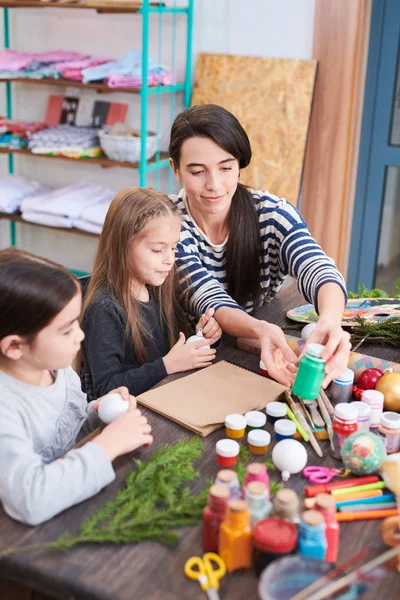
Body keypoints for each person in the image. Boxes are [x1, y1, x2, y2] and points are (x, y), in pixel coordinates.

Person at [168, 104, 351, 387]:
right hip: (187, 362)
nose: (214, 185)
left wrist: (330, 320)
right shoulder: (166, 226)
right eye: (197, 171)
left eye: (226, 168)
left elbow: (315, 265)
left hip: (253, 352)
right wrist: (260, 329)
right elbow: (208, 296)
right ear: (176, 170)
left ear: (239, 165)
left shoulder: (273, 214)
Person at [0, 248, 153, 526]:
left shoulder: (53, 366)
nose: (80, 335)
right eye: (67, 329)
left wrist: (98, 412)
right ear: (14, 346)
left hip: (70, 499)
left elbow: (64, 429)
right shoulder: (5, 409)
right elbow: (29, 499)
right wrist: (109, 444)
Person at [80, 188, 221, 401]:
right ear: (122, 246)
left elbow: (168, 350)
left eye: (174, 248)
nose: (169, 259)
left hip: (159, 399)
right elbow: (107, 389)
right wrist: (167, 366)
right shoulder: (103, 309)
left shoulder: (154, 288)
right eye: (157, 250)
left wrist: (200, 337)